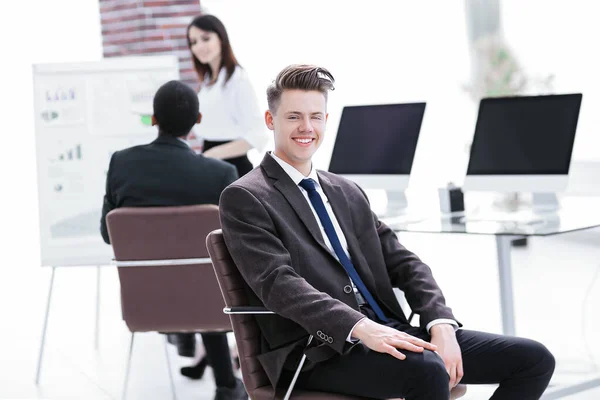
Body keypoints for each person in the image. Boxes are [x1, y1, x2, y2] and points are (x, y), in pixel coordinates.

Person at [218, 65, 556, 399]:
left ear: (326, 120)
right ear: (270, 120)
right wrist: (360, 328)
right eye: (294, 116)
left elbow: (406, 264)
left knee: (533, 360)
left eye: (316, 116)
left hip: (391, 330)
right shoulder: (246, 196)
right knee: (426, 371)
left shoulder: (345, 190)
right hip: (319, 348)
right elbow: (278, 283)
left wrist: (440, 323)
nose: (306, 127)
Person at [100, 80, 247, 400]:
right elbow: (238, 247)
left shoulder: (121, 164)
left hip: (148, 303)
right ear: (198, 121)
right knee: (207, 277)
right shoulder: (220, 173)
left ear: (153, 119)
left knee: (194, 277)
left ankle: (209, 367)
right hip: (209, 306)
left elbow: (106, 234)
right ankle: (226, 385)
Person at [186, 14, 268, 177]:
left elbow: (258, 135)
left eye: (205, 38)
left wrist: (211, 155)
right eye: (193, 42)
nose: (199, 46)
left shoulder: (237, 79)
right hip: (210, 166)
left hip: (233, 169)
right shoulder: (207, 83)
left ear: (221, 38)